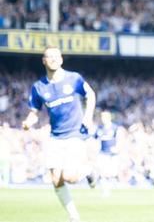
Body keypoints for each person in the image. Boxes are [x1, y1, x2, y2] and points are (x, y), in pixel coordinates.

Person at [21, 46, 97, 222]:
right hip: (55, 137)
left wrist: (88, 116)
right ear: (44, 61)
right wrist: (28, 122)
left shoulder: (74, 78)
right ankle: (74, 217)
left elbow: (90, 94)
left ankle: (88, 170)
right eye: (50, 57)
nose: (54, 59)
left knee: (69, 177)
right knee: (56, 180)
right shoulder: (39, 87)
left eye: (56, 56)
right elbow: (34, 112)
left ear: (61, 59)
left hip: (75, 134)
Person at [94, 110, 122, 197]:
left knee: (112, 173)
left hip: (113, 154)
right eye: (102, 117)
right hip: (103, 153)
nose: (103, 119)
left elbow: (119, 138)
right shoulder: (99, 129)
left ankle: (114, 186)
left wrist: (117, 148)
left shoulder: (115, 128)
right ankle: (105, 191)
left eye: (105, 117)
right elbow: (95, 140)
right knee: (102, 173)